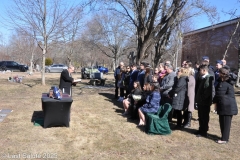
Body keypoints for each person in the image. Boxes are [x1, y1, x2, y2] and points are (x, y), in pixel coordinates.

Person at [213, 68, 238, 144]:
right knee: (223, 122)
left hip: (227, 107)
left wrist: (214, 102)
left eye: (219, 73)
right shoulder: (223, 82)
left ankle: (224, 139)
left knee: (225, 123)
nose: (217, 74)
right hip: (224, 106)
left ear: (222, 74)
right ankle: (223, 137)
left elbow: (219, 94)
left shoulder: (224, 84)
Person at [195, 64, 214, 137]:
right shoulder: (203, 78)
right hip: (201, 102)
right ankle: (201, 129)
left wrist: (201, 98)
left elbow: (207, 91)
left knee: (204, 117)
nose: (199, 72)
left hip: (204, 102)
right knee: (201, 116)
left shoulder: (208, 78)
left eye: (200, 70)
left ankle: (204, 131)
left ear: (204, 70)